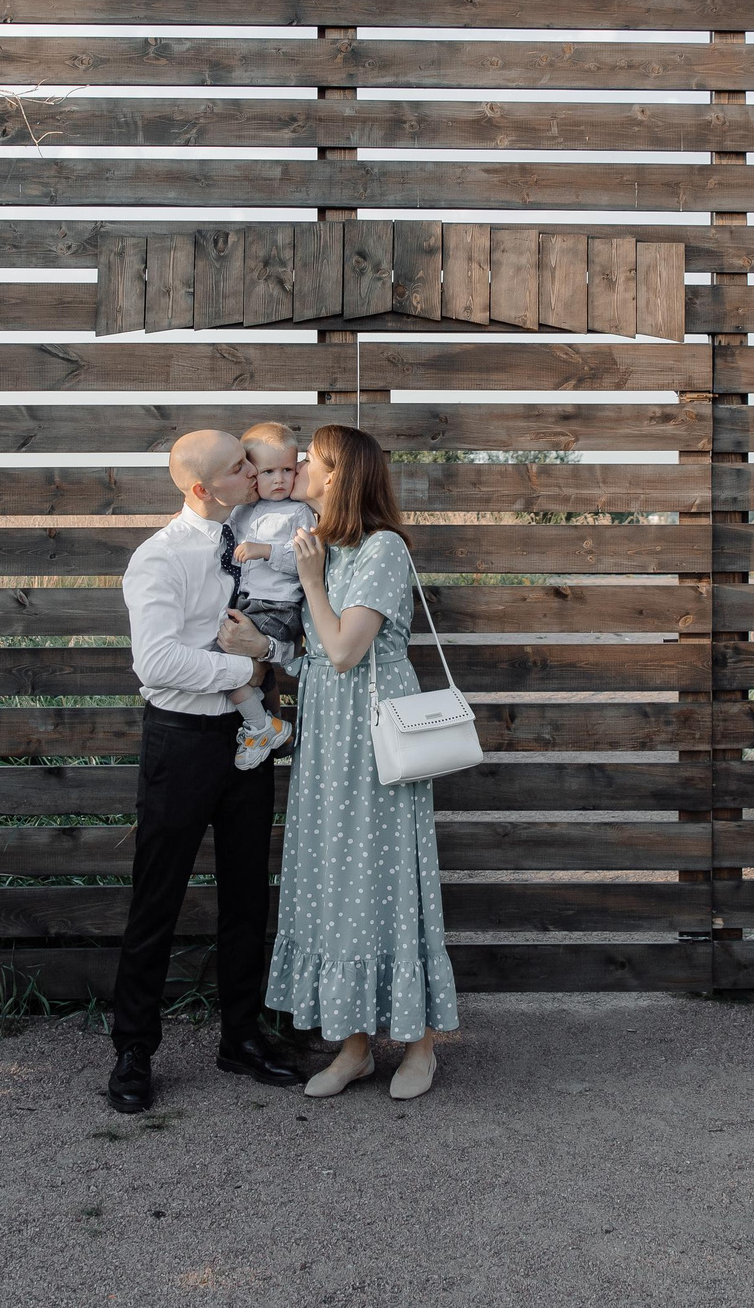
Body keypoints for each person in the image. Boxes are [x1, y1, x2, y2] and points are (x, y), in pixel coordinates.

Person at [106, 428, 305, 1112]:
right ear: (202, 487)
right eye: (238, 466)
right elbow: (156, 662)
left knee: (248, 892)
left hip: (247, 740)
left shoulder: (255, 540)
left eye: (253, 462)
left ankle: (241, 1037)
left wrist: (267, 655)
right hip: (182, 739)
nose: (255, 471)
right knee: (156, 896)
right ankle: (133, 1049)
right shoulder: (159, 558)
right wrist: (243, 668)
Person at [265, 424, 461, 1100]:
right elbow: (317, 656)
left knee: (386, 877)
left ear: (340, 476)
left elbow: (346, 648)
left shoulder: (381, 548)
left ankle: (420, 1044)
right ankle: (353, 1046)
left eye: (311, 462)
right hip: (327, 733)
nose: (298, 468)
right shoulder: (328, 545)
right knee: (333, 878)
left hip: (375, 734)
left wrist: (311, 579)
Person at [223, 420, 314, 770]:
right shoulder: (242, 510)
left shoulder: (299, 512)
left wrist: (266, 551)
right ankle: (275, 726)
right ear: (250, 473)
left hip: (278, 605)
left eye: (288, 470)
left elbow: (306, 560)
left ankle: (262, 727)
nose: (279, 479)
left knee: (232, 669)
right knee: (255, 670)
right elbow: (221, 531)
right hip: (246, 600)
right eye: (268, 471)